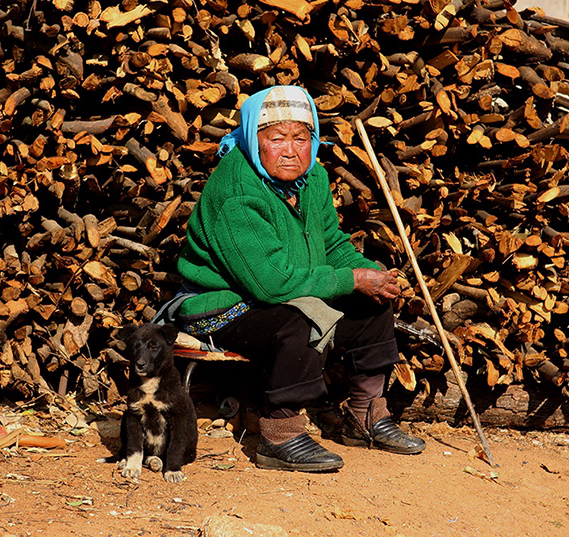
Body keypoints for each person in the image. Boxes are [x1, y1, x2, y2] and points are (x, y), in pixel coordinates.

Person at [174, 85, 425, 472]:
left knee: (372, 302)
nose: (290, 150)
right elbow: (270, 284)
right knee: (306, 319)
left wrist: (372, 275)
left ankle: (365, 416)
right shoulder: (238, 190)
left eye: (301, 138)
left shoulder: (312, 179)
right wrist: (351, 279)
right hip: (223, 305)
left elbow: (331, 244)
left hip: (285, 292)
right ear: (254, 140)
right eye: (277, 138)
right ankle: (281, 435)